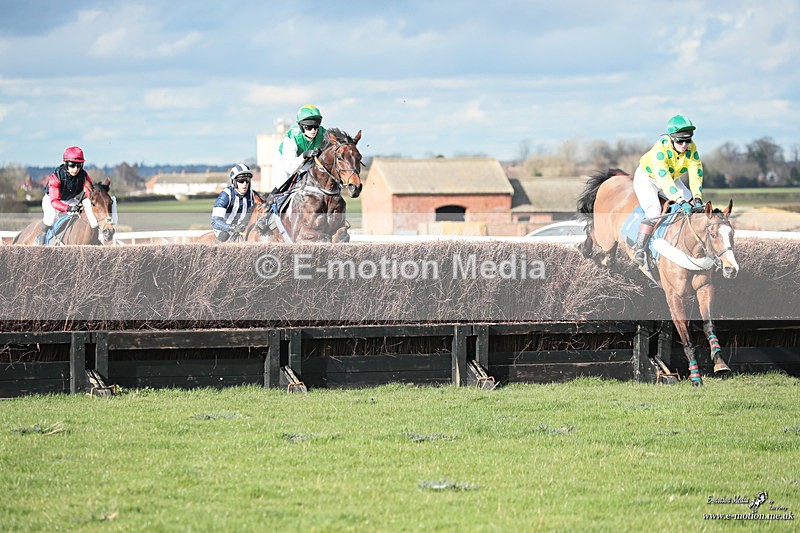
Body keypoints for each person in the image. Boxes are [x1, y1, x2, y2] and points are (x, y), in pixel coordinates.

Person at [631, 114, 704, 266]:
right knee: (654, 210)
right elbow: (664, 181)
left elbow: (696, 173)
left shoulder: (692, 148)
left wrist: (697, 198)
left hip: (672, 178)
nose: (684, 144)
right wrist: (680, 200)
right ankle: (639, 248)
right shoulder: (660, 150)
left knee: (693, 206)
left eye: (688, 139)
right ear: (671, 138)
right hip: (649, 179)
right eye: (680, 140)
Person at [37, 146, 94, 245]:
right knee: (51, 218)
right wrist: (69, 208)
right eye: (72, 165)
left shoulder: (83, 175)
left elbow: (89, 192)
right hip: (52, 200)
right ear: (66, 164)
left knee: (85, 211)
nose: (76, 169)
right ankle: (42, 241)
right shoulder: (56, 177)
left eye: (79, 165)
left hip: (69, 199)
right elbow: (55, 201)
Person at [276, 104, 328, 182]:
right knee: (281, 184)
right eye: (309, 127)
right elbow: (291, 169)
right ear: (301, 127)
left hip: (308, 162)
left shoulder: (323, 134)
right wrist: (304, 155)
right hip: (287, 162)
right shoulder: (292, 136)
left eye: (316, 126)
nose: (313, 130)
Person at [211, 163, 258, 242]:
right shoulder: (225, 195)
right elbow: (215, 221)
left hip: (243, 229)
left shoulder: (253, 195)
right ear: (234, 182)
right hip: (225, 229)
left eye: (247, 180)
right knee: (224, 235)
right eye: (241, 181)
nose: (245, 184)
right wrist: (232, 227)